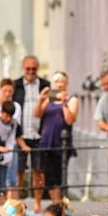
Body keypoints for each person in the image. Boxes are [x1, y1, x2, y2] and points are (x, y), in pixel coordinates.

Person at [32, 71, 79, 208]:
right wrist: (41, 99)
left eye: (61, 81)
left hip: (61, 143)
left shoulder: (72, 99)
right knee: (49, 176)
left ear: (66, 82)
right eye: (56, 81)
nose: (59, 84)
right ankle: (57, 205)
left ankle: (60, 207)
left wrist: (64, 104)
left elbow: (70, 120)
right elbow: (37, 114)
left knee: (60, 176)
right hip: (46, 142)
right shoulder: (48, 99)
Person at [13, 55, 50, 191]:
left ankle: (37, 204)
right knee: (18, 170)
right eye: (28, 69)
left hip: (39, 134)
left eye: (34, 69)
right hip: (20, 134)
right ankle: (16, 203)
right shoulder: (16, 85)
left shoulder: (45, 85)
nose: (31, 72)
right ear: (23, 69)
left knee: (38, 170)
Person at [0, 101, 32, 202]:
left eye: (10, 116)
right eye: (6, 115)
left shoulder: (14, 123)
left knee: (2, 186)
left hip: (4, 159)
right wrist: (0, 148)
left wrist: (24, 146)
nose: (8, 118)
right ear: (1, 112)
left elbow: (18, 137)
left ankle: (0, 208)